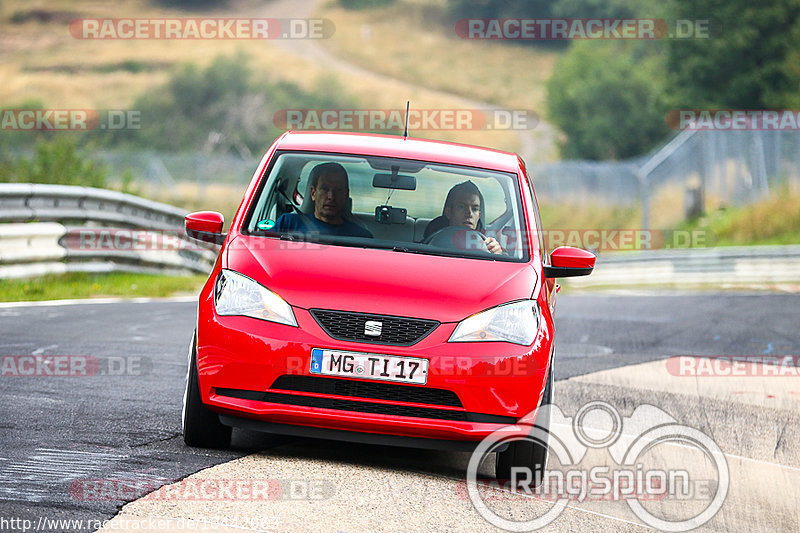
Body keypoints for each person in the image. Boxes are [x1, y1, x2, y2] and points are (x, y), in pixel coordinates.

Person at [274, 162, 372, 238]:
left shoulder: (361, 236)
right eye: (325, 189)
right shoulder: (287, 223)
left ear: (346, 195)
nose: (331, 196)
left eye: (338, 190)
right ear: (313, 193)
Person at [423, 181, 502, 254]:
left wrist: (497, 254)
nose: (469, 214)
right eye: (462, 207)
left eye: (474, 209)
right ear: (448, 212)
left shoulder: (488, 245)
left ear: (479, 216)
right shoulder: (427, 246)